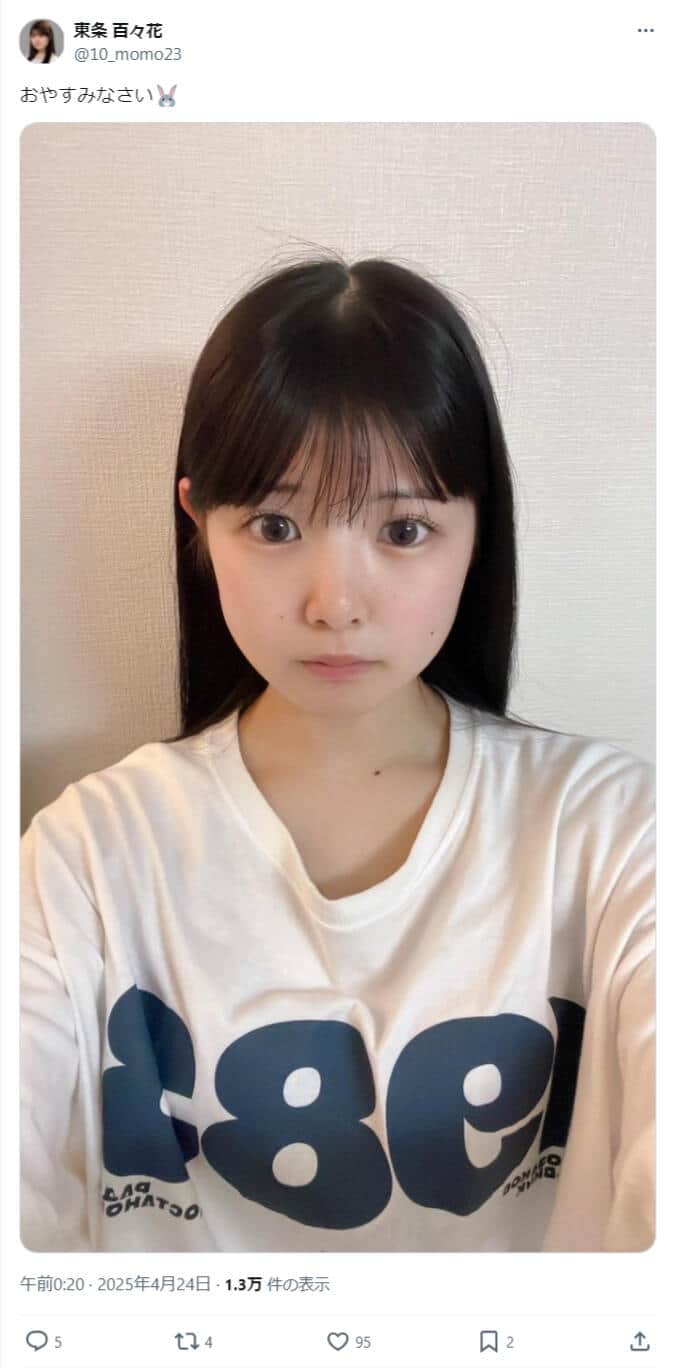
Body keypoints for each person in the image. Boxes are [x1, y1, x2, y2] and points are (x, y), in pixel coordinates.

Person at [21, 256, 654, 1253]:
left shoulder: (610, 833)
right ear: (198, 522)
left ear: (477, 530)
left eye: (404, 528)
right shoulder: (87, 858)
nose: (335, 603)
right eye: (275, 525)